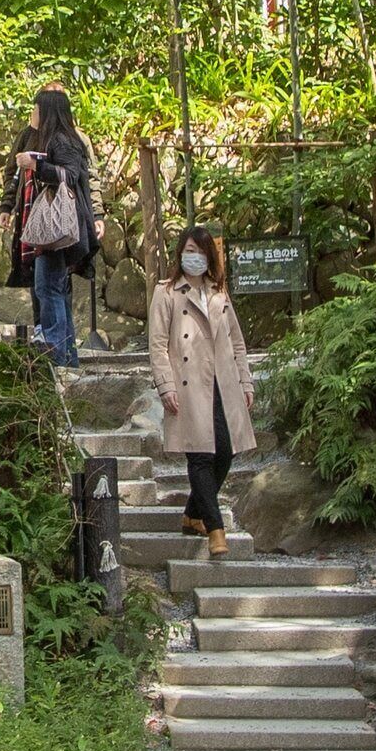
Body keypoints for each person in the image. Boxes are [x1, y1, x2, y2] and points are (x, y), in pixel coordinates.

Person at [150, 224, 252, 558]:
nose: (194, 257)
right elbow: (158, 344)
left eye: (200, 251)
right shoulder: (165, 292)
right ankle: (216, 530)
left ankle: (193, 513)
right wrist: (165, 385)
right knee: (200, 455)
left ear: (210, 257)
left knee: (225, 451)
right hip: (188, 384)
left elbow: (237, 342)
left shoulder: (219, 292)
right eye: (189, 250)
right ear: (180, 253)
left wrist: (245, 381)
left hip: (223, 382)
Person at [6, 86, 96, 364]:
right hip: (45, 229)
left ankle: (57, 353)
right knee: (50, 287)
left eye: (36, 109)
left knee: (50, 289)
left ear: (46, 112)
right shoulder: (39, 137)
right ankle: (67, 357)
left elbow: (71, 174)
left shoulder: (63, 140)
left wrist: (36, 166)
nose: (32, 114)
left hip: (58, 230)